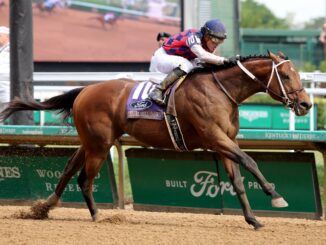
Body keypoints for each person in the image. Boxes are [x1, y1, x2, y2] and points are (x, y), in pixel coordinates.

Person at [149, 19, 237, 106]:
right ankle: (157, 90)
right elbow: (202, 55)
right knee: (186, 65)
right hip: (161, 57)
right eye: (215, 41)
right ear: (206, 36)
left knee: (200, 66)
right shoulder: (193, 36)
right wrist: (225, 60)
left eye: (220, 41)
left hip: (174, 59)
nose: (216, 45)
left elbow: (206, 62)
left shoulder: (207, 46)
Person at [0, 26, 10, 123]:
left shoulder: (13, 49)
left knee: (8, 107)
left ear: (7, 37)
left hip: (6, 85)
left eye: (0, 36)